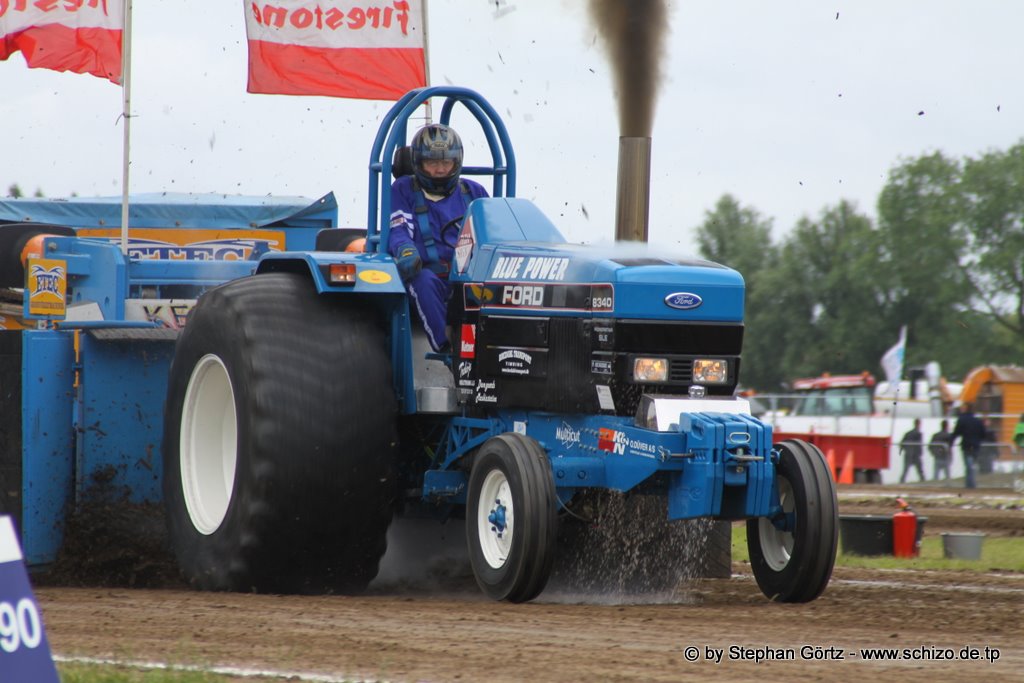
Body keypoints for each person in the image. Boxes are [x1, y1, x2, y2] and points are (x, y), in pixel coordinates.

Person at [388, 123, 489, 353]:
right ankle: (448, 349)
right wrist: (405, 249)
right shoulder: (403, 190)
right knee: (423, 281)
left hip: (466, 276)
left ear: (457, 162)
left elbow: (491, 234)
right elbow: (398, 228)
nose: (440, 169)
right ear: (418, 163)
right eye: (432, 163)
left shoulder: (474, 192)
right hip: (426, 273)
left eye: (446, 163)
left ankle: (495, 349)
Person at [951, 403, 987, 489]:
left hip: (966, 445)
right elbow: (983, 434)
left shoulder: (962, 420)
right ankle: (971, 484)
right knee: (972, 465)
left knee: (968, 465)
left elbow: (956, 432)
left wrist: (950, 442)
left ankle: (970, 485)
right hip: (976, 446)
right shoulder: (978, 421)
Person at [898, 418, 925, 484]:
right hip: (915, 454)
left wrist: (906, 449)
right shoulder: (918, 434)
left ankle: (901, 481)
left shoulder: (908, 433)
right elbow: (919, 445)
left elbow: (902, 444)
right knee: (919, 470)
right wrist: (920, 452)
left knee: (906, 469)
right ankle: (923, 481)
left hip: (908, 453)